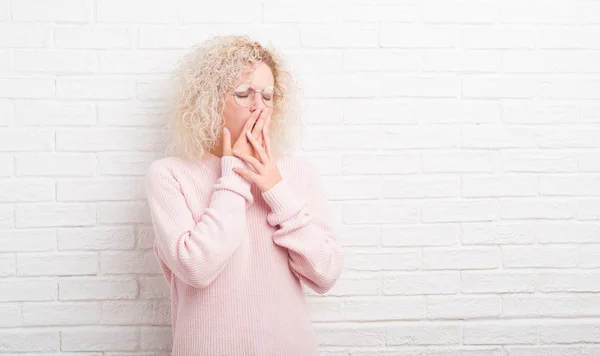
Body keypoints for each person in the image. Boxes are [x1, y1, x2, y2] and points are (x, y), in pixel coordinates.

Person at [145, 35, 344, 356]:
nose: (258, 107)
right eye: (242, 94)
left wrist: (275, 188)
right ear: (208, 101)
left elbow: (325, 274)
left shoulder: (296, 172)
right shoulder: (169, 174)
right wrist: (234, 173)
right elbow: (197, 268)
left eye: (267, 96)